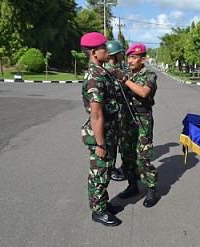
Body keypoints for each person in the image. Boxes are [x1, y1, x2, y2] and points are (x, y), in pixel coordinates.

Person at [80, 32, 123, 227]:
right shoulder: (94, 77)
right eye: (104, 48)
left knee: (105, 171)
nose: (107, 50)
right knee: (99, 173)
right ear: (93, 52)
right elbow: (96, 114)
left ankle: (103, 203)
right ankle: (98, 211)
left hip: (109, 131)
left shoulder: (103, 72)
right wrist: (100, 143)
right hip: (101, 134)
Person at [117, 43, 160, 208]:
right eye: (128, 57)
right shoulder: (126, 73)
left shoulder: (149, 75)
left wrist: (124, 80)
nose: (130, 60)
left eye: (134, 57)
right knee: (127, 155)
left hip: (142, 119)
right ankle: (132, 185)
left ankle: (151, 189)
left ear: (143, 59)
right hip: (126, 119)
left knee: (143, 156)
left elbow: (143, 92)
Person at [104, 40, 126, 182]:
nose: (122, 57)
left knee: (115, 143)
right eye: (120, 54)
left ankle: (112, 168)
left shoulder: (112, 70)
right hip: (112, 115)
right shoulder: (110, 71)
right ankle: (110, 170)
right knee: (111, 144)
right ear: (115, 55)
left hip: (115, 114)